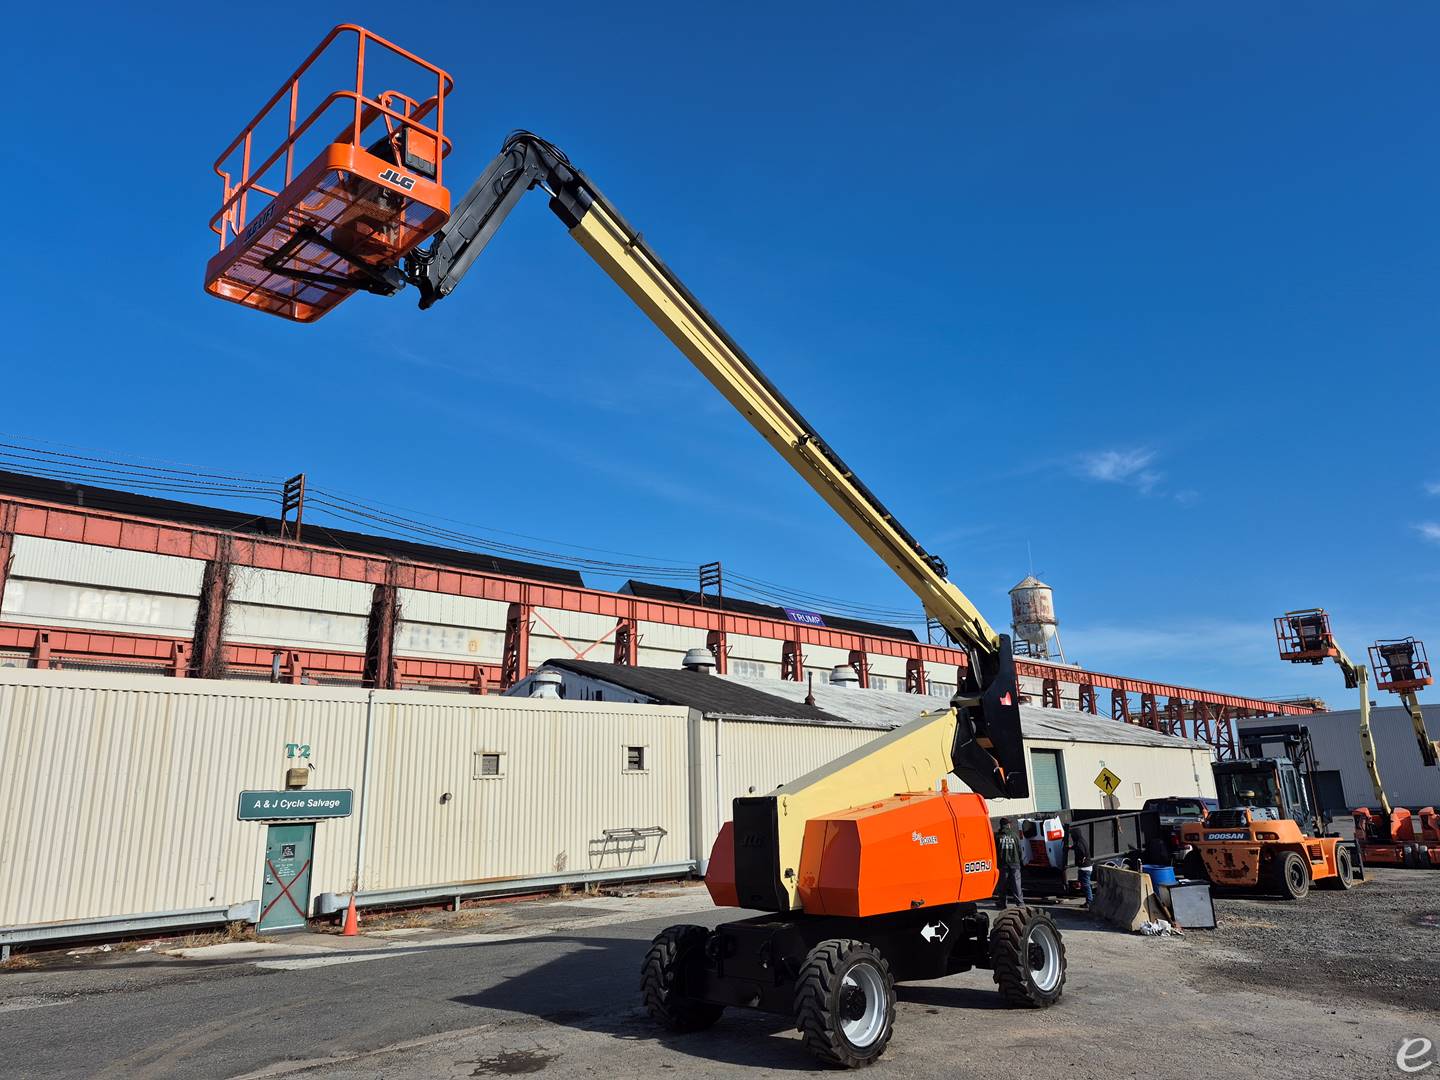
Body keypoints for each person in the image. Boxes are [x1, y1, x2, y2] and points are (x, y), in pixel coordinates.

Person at [994, 817, 1025, 909]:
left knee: (1002, 885)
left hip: (1002, 864)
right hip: (1015, 863)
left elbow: (994, 851)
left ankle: (1002, 903)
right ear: (1008, 825)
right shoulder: (1014, 835)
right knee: (1016, 884)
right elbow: (1019, 850)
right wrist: (1020, 861)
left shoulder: (997, 836)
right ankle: (1020, 904)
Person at [1070, 827, 1093, 907]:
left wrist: (1081, 859)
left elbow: (1082, 852)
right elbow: (1078, 847)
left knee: (1086, 886)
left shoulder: (1079, 843)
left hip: (1084, 868)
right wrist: (1070, 848)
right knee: (1084, 885)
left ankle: (1089, 902)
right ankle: (1089, 901)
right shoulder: (1081, 841)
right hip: (1086, 867)